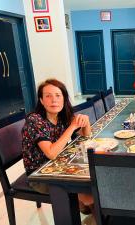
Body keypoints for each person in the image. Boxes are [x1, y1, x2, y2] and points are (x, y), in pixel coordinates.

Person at [22, 79, 94, 214]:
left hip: (61, 166)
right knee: (90, 195)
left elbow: (86, 136)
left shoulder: (62, 115)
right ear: (42, 101)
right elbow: (51, 153)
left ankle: (86, 208)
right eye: (48, 96)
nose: (53, 100)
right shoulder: (35, 120)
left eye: (58, 95)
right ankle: (84, 206)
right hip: (40, 175)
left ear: (64, 98)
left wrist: (86, 121)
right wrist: (72, 127)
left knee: (94, 184)